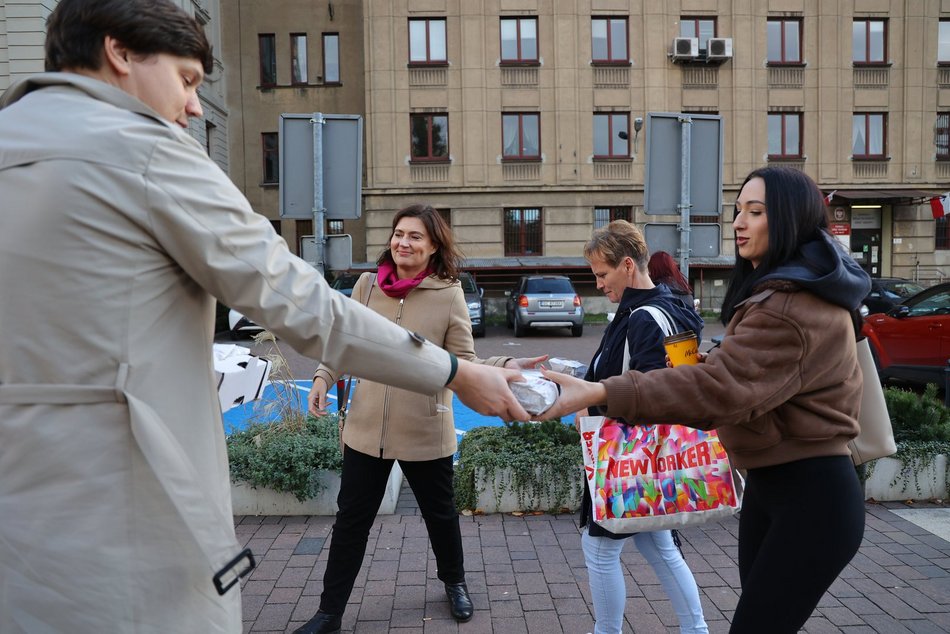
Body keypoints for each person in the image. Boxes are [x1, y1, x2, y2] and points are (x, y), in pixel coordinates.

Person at [0, 2, 530, 632]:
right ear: (119, 53)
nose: (195, 108)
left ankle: (447, 582)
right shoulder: (144, 151)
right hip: (128, 542)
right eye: (188, 80)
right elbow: (304, 304)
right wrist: (456, 376)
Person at [542, 166, 871, 633]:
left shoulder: (794, 305)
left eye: (755, 212)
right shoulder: (779, 293)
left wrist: (602, 392)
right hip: (774, 486)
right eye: (738, 210)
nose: (738, 222)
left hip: (810, 495)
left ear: (791, 220)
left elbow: (716, 388)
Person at [297, 204, 545, 634]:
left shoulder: (448, 294)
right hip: (365, 429)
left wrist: (505, 362)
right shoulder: (367, 286)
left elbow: (465, 361)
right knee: (350, 522)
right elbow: (342, 342)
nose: (403, 243)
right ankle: (329, 613)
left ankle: (454, 582)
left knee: (440, 516)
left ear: (433, 246)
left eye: (414, 236)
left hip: (425, 427)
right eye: (398, 234)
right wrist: (323, 375)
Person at [579, 221, 708, 634]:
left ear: (628, 265)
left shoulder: (641, 318)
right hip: (656, 457)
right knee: (660, 546)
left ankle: (608, 632)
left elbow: (653, 391)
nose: (598, 283)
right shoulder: (669, 305)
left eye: (602, 274)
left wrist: (591, 401)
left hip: (627, 456)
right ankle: (697, 630)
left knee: (599, 549)